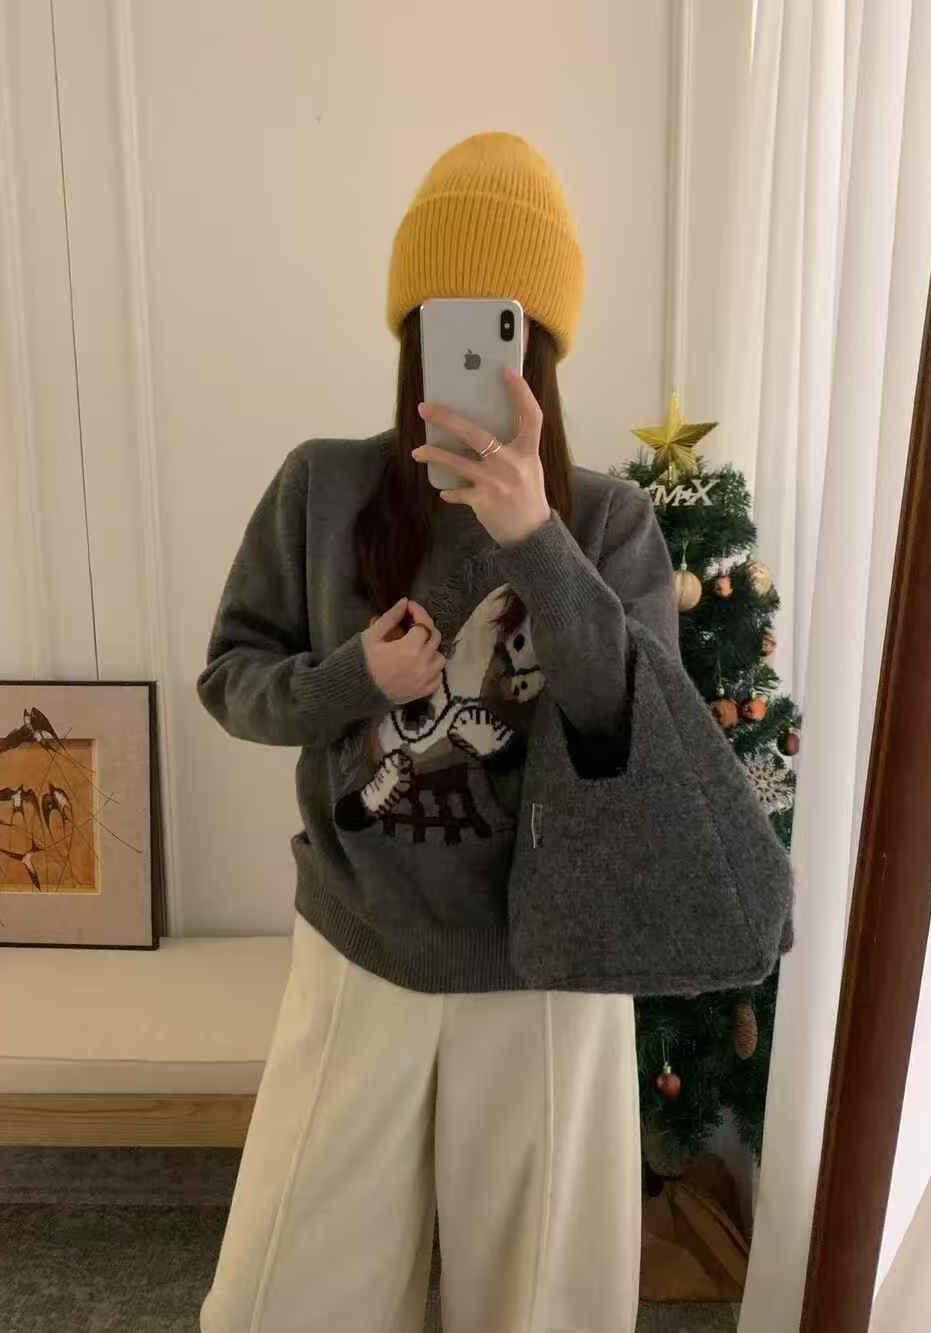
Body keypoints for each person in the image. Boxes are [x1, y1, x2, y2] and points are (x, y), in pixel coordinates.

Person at [196, 130, 678, 1333]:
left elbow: (636, 730)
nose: (470, 360)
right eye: (443, 327)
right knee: (284, 1297)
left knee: (539, 1305)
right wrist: (351, 677)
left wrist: (537, 542)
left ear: (540, 352)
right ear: (411, 335)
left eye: (503, 333)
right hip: (362, 945)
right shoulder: (322, 488)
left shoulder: (609, 521)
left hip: (550, 968)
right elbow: (231, 679)